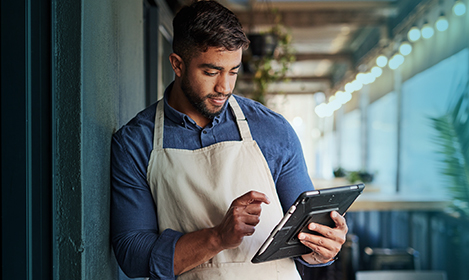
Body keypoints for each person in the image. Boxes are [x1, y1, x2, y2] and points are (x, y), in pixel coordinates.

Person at [110, 1, 347, 279]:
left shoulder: (273, 129)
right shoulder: (136, 142)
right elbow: (133, 255)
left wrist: (322, 247)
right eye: (211, 72)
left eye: (233, 71)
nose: (224, 87)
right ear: (177, 64)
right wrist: (217, 238)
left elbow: (305, 232)